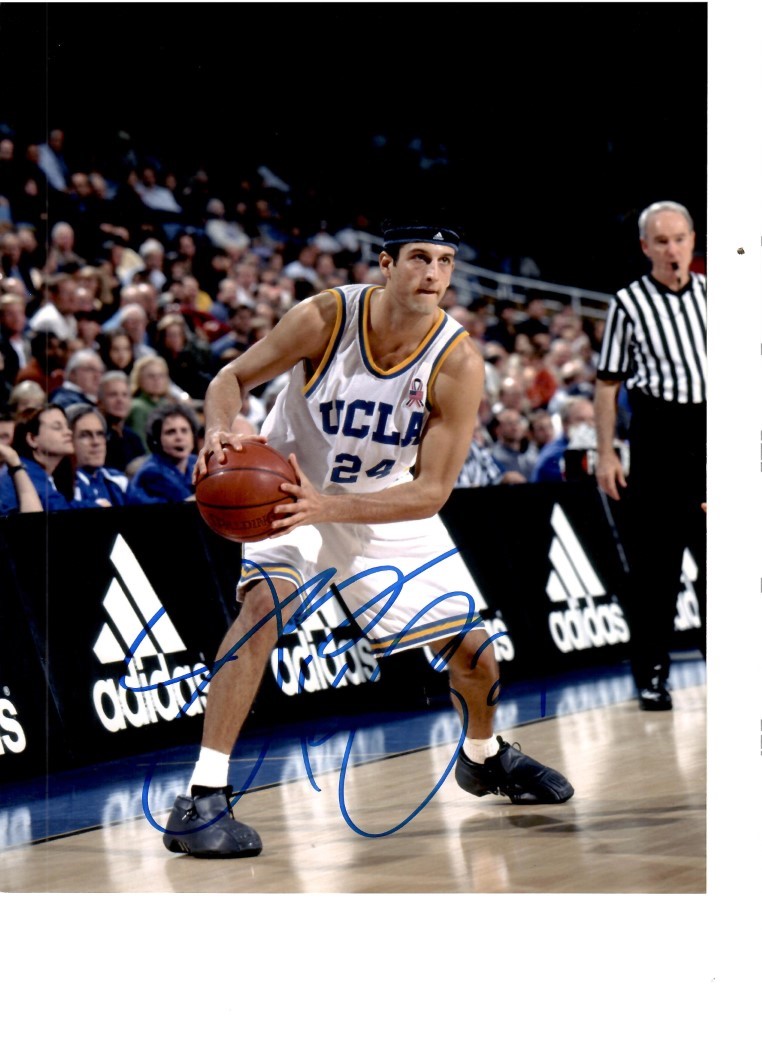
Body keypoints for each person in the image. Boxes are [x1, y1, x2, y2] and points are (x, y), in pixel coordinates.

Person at [162, 218, 574, 859]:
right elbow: (230, 380)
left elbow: (431, 491)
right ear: (385, 264)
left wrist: (331, 507)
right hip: (287, 489)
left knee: (478, 657)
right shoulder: (324, 318)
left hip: (381, 501)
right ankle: (202, 795)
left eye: (444, 261)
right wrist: (218, 429)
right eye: (419, 258)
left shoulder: (458, 361)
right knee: (261, 610)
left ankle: (483, 756)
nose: (433, 273)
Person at [593, 199, 706, 712]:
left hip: (711, 435)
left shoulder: (714, 295)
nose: (672, 249)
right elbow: (607, 383)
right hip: (659, 437)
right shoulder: (628, 303)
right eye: (661, 241)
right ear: (645, 247)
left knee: (721, 561)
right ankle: (653, 675)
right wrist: (606, 453)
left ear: (693, 240)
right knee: (656, 570)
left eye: (679, 238)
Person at [0, 403, 74, 514]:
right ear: (32, 439)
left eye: (67, 426)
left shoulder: (35, 470)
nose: (69, 432)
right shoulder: (26, 473)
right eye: (57, 427)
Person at [126, 401, 199, 504]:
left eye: (184, 430)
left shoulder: (195, 462)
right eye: (171, 432)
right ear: (157, 439)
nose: (179, 437)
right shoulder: (151, 472)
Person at [66, 403, 129, 507]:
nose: (96, 442)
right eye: (85, 435)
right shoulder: (64, 486)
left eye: (100, 434)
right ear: (69, 440)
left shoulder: (118, 480)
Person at [530, 395, 595, 483]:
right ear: (565, 424)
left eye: (592, 419)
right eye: (581, 420)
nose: (589, 425)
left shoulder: (590, 448)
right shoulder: (555, 455)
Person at [97, 370, 146, 473]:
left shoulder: (133, 438)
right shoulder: (96, 436)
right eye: (113, 395)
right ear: (100, 401)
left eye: (125, 395)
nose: (120, 400)